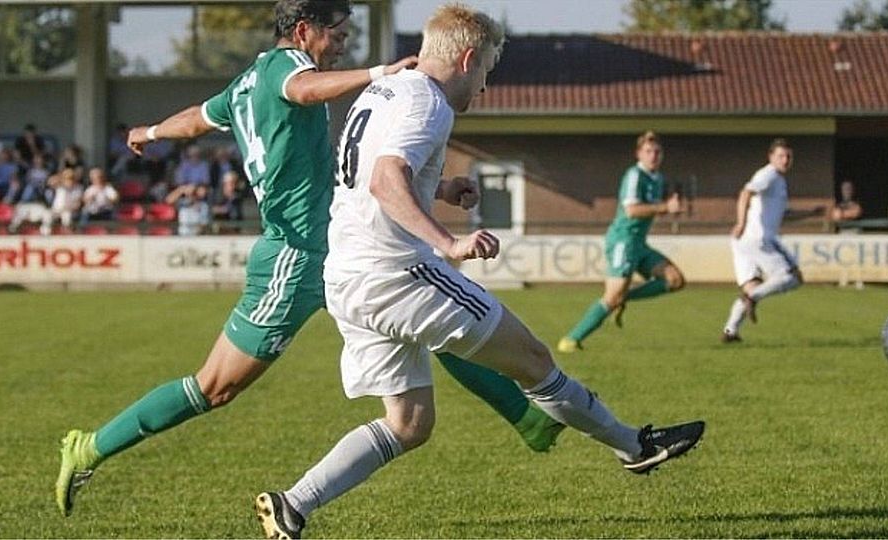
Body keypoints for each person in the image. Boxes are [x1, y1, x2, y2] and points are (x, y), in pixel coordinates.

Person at [55, 0, 562, 519]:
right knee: (215, 386)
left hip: (337, 247)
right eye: (338, 33)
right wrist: (379, 72)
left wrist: (151, 133)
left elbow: (197, 121)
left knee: (431, 320)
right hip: (294, 260)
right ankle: (90, 446)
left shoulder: (244, 85)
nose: (344, 42)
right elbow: (301, 89)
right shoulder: (284, 68)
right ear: (303, 31)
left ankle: (530, 419)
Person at [253, 5, 705, 537]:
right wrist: (449, 242)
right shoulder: (431, 103)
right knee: (535, 361)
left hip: (347, 278)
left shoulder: (383, 90)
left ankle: (293, 504)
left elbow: (360, 170)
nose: (484, 86)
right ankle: (635, 447)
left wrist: (438, 189)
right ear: (467, 58)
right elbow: (383, 178)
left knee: (409, 424)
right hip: (398, 276)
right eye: (486, 71)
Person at [556, 131, 685, 353]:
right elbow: (632, 210)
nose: (653, 155)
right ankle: (570, 340)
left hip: (640, 244)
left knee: (675, 280)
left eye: (657, 151)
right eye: (648, 151)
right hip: (622, 242)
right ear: (639, 154)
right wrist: (665, 207)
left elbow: (650, 210)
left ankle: (624, 297)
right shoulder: (635, 175)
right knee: (612, 297)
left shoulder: (658, 178)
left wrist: (668, 207)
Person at [721, 138, 802, 343]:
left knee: (752, 286)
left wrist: (812, 213)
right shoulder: (768, 175)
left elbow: (784, 214)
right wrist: (740, 222)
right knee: (791, 277)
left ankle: (730, 331)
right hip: (757, 239)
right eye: (781, 156)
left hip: (744, 241)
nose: (785, 160)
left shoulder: (779, 180)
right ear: (771, 157)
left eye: (788, 156)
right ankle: (752, 299)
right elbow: (745, 192)